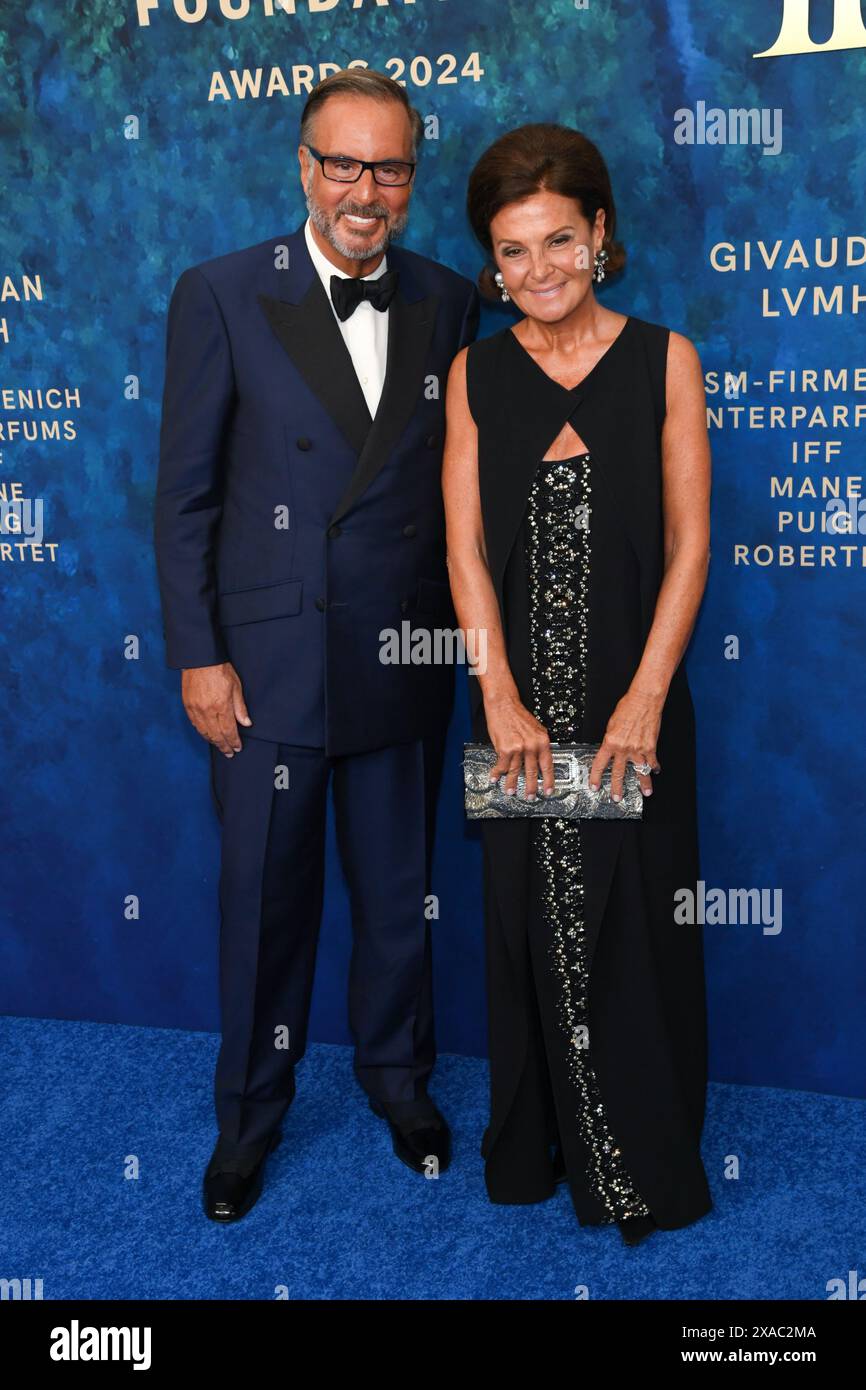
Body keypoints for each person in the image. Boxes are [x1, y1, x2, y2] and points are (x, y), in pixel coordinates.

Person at [154, 68, 480, 1222]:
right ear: (304, 167)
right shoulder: (223, 293)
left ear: (410, 178)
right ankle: (248, 1117)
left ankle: (400, 1084)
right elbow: (184, 497)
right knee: (264, 908)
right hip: (265, 669)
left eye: (387, 166)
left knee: (400, 898)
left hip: (401, 658)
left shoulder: (447, 298)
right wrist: (199, 652)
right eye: (342, 162)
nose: (364, 188)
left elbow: (453, 496)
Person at [442, 123, 713, 1246]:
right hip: (513, 705)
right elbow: (461, 551)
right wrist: (496, 693)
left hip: (628, 698)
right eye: (511, 251)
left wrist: (646, 695)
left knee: (629, 923)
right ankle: (535, 1147)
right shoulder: (474, 371)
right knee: (526, 925)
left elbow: (692, 542)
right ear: (490, 262)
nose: (537, 270)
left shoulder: (664, 358)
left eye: (558, 239)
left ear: (599, 234)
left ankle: (639, 1167)